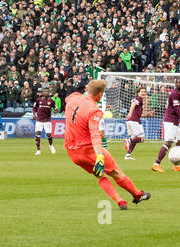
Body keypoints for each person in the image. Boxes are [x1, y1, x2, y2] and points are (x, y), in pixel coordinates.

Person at [64, 78, 149, 210]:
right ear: (99, 94)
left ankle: (120, 201)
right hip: (88, 150)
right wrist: (99, 155)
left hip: (72, 152)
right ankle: (137, 194)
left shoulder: (74, 98)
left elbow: (68, 98)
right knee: (116, 172)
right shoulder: (94, 109)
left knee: (99, 175)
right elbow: (95, 133)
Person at [152, 78, 180, 173]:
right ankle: (156, 164)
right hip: (170, 121)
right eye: (179, 82)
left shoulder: (176, 93)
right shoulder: (175, 93)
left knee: (179, 140)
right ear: (175, 83)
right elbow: (176, 109)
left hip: (174, 121)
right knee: (168, 142)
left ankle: (176, 166)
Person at [124, 86, 148, 160]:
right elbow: (133, 105)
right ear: (138, 93)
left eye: (144, 91)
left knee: (134, 139)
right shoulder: (139, 98)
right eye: (142, 91)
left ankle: (128, 155)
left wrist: (148, 114)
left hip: (131, 121)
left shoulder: (138, 100)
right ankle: (128, 140)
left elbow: (139, 114)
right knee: (142, 138)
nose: (143, 93)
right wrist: (130, 114)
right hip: (134, 121)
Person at [33, 86, 56, 155]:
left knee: (48, 134)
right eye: (45, 91)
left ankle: (51, 145)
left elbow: (55, 108)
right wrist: (34, 114)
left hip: (47, 120)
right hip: (39, 120)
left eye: (47, 91)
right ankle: (38, 150)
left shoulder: (51, 101)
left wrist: (55, 110)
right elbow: (34, 107)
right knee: (38, 133)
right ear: (43, 92)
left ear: (49, 93)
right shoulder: (38, 100)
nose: (46, 92)